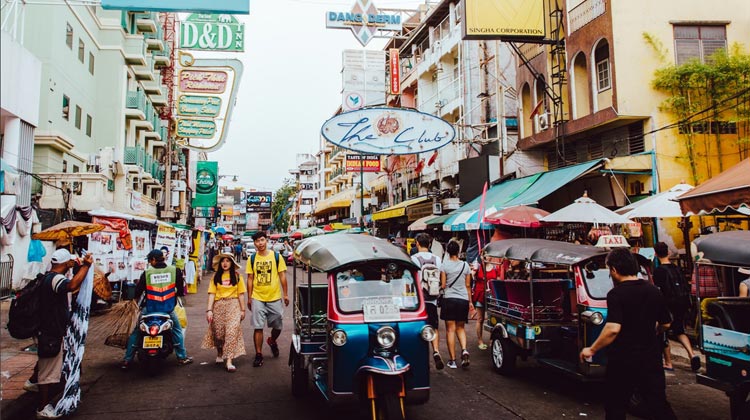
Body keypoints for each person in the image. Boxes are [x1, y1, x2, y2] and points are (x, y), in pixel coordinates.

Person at [580, 248, 676, 420]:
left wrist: (592, 349)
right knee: (658, 404)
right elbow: (666, 323)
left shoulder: (616, 294)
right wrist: (652, 331)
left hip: (623, 360)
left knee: (616, 405)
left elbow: (613, 328)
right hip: (651, 358)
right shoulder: (654, 291)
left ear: (614, 270)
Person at [35, 249, 93, 419]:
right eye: (69, 262)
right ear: (64, 263)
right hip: (50, 331)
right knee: (48, 371)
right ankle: (42, 407)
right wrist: (86, 266)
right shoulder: (55, 279)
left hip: (50, 330)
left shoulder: (47, 277)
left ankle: (36, 384)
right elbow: (72, 285)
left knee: (50, 364)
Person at [120, 250, 193, 370]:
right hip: (168, 311)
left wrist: (132, 301)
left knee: (136, 333)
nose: (150, 263)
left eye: (150, 260)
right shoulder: (175, 271)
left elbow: (138, 291)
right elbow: (180, 291)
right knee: (177, 331)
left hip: (149, 310)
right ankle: (182, 357)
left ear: (153, 260)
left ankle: (127, 360)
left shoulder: (147, 273)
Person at [652, 242, 700, 372]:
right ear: (668, 252)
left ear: (655, 254)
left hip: (667, 305)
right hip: (682, 303)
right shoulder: (676, 268)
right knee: (679, 330)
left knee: (662, 332)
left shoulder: (658, 271)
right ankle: (692, 354)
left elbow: (659, 291)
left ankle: (668, 362)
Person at [246, 231, 289, 367]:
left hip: (274, 297)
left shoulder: (276, 257)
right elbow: (250, 279)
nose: (260, 243)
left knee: (278, 325)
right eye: (257, 241)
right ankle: (259, 355)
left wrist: (286, 294)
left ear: (267, 241)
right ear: (255, 243)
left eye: (262, 240)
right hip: (258, 297)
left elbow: (282, 276)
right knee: (258, 327)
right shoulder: (252, 259)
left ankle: (272, 340)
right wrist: (249, 297)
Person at [202, 253, 247, 372]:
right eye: (223, 261)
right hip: (218, 306)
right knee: (219, 333)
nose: (225, 263)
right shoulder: (215, 277)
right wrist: (209, 310)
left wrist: (243, 310)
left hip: (233, 305)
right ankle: (220, 352)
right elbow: (212, 294)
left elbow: (241, 294)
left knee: (232, 332)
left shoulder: (237, 276)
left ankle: (229, 361)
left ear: (232, 263)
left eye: (228, 261)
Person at [410, 233, 444, 370]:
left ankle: (420, 356)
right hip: (433, 299)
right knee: (434, 327)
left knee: (418, 328)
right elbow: (441, 278)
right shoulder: (437, 259)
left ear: (417, 243)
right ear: (429, 244)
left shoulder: (414, 258)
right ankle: (436, 350)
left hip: (418, 300)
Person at [440, 241, 472, 369]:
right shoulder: (465, 265)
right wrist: (470, 302)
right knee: (461, 328)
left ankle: (452, 360)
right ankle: (464, 350)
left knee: (450, 330)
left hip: (449, 299)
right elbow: (468, 285)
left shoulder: (444, 266)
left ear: (447, 252)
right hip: (463, 299)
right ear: (458, 251)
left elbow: (443, 285)